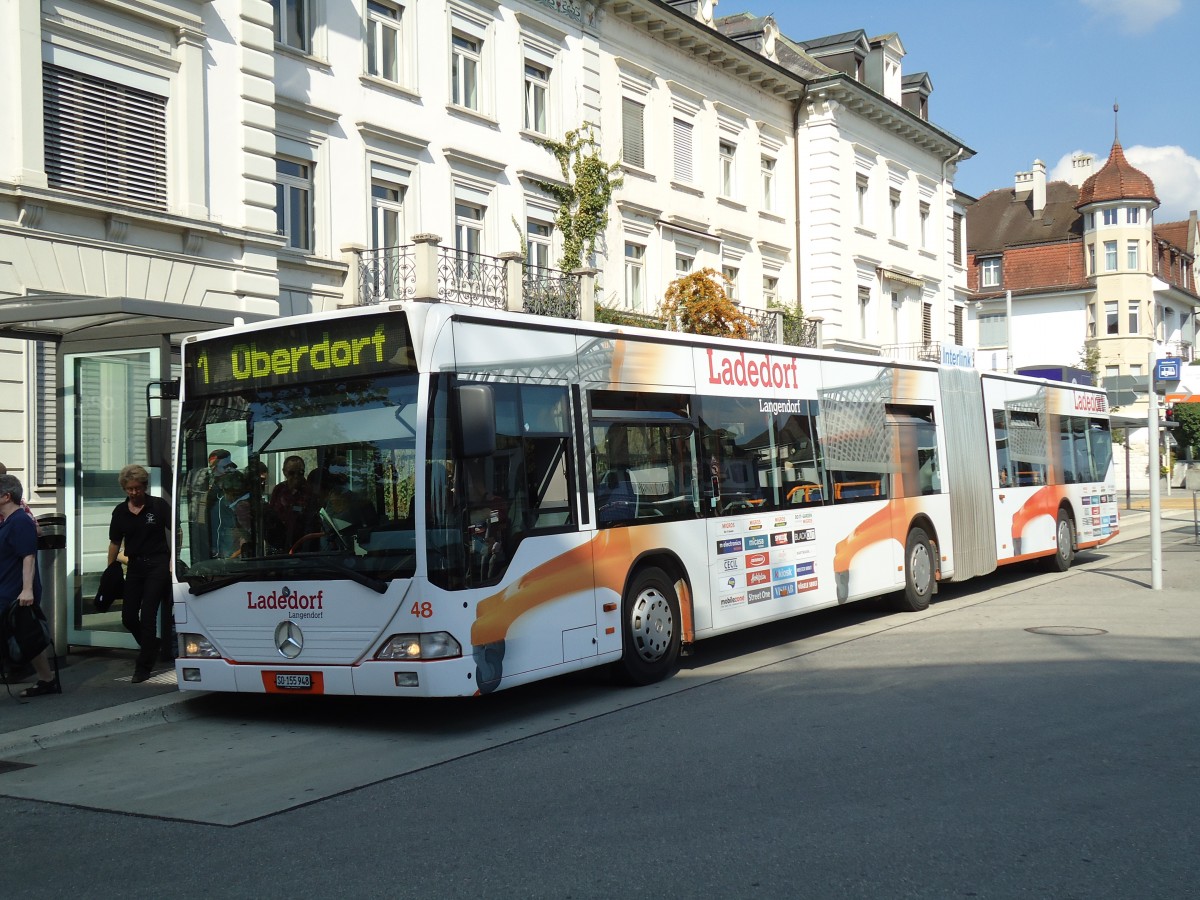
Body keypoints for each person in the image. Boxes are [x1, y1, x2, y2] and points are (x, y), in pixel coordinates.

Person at [107, 465, 172, 683]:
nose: (134, 493)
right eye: (129, 489)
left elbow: (175, 529)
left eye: (137, 488)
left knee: (148, 614)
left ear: (144, 486)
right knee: (128, 616)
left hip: (159, 563)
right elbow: (115, 541)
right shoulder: (120, 511)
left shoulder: (157, 505)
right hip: (135, 565)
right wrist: (111, 569)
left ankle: (143, 666)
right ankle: (151, 644)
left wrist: (173, 558)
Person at [0, 473, 58, 696]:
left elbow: (28, 557)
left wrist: (27, 590)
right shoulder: (9, 521)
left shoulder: (21, 521)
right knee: (27, 635)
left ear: (6, 496)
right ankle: (47, 679)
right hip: (9, 588)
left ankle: (47, 679)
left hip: (14, 591)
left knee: (27, 634)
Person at [186, 449, 232, 561]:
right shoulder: (204, 478)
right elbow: (199, 511)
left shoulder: (233, 478)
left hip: (228, 528)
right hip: (209, 525)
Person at [267, 456, 310, 552]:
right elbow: (271, 513)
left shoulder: (309, 490)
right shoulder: (279, 489)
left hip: (303, 543)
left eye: (300, 472)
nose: (296, 476)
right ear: (284, 472)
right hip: (280, 543)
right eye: (291, 473)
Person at [210, 468, 253, 558]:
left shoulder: (242, 507)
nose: (224, 496)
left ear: (231, 492)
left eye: (224, 492)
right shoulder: (229, 504)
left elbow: (250, 538)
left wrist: (231, 557)